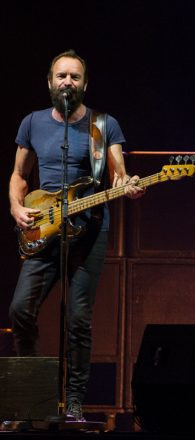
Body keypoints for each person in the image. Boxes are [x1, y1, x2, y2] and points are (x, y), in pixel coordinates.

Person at [8, 49, 144, 422]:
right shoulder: (32, 123)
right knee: (20, 309)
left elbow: (117, 173)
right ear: (50, 82)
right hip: (44, 226)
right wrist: (17, 208)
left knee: (79, 319)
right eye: (61, 76)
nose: (68, 82)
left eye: (75, 77)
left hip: (89, 230)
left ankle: (75, 403)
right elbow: (20, 176)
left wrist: (127, 184)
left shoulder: (104, 124)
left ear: (85, 83)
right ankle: (32, 395)